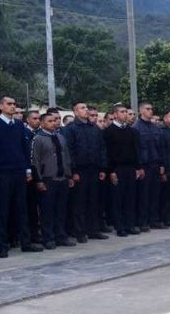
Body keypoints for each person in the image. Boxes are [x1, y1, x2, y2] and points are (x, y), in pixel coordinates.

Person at [0, 96, 43, 257]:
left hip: (19, 172)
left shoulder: (18, 124)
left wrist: (28, 170)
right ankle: (2, 245)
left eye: (14, 104)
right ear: (1, 106)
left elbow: (24, 148)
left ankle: (26, 243)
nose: (12, 106)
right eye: (9, 104)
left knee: (22, 208)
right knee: (2, 210)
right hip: (2, 172)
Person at [63, 102, 109, 242]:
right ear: (75, 112)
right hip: (80, 170)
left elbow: (101, 148)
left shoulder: (94, 128)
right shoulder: (70, 129)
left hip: (94, 169)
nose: (86, 110)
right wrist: (73, 171)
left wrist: (102, 167)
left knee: (93, 201)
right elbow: (69, 151)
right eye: (82, 108)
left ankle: (93, 230)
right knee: (79, 203)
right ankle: (80, 232)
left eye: (86, 107)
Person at [31, 113, 76, 250]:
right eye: (50, 121)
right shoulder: (38, 138)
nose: (54, 122)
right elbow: (35, 161)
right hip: (48, 179)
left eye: (55, 120)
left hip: (62, 178)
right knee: (47, 211)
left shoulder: (60, 137)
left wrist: (69, 175)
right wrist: (39, 180)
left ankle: (61, 236)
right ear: (42, 123)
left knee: (61, 210)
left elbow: (67, 157)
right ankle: (48, 238)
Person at [104, 104, 143, 237]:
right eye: (122, 112)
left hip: (130, 168)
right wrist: (111, 171)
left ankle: (129, 224)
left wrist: (137, 167)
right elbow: (107, 153)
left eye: (126, 111)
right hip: (117, 169)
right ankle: (119, 226)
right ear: (115, 114)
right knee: (117, 198)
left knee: (130, 197)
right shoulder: (109, 131)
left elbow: (136, 150)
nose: (125, 114)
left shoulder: (131, 131)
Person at [132, 102, 164, 232]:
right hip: (144, 165)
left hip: (155, 164)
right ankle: (143, 221)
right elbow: (135, 149)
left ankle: (154, 219)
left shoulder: (155, 127)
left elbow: (160, 147)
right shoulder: (136, 128)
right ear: (141, 111)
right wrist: (138, 167)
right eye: (147, 109)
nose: (151, 111)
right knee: (143, 195)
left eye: (151, 108)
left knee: (155, 194)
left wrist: (161, 164)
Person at [24, 110, 42, 244]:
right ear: (28, 120)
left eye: (39, 118)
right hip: (29, 175)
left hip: (42, 173)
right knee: (30, 207)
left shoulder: (41, 134)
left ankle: (38, 232)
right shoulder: (24, 133)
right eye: (34, 118)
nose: (37, 121)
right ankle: (31, 234)